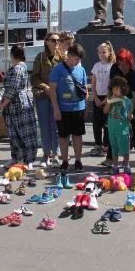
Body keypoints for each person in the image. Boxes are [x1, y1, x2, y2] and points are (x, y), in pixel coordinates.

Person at [49, 42, 88, 173]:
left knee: (78, 135)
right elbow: (52, 90)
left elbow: (84, 88)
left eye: (79, 59)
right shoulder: (57, 69)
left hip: (79, 108)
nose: (78, 62)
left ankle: (78, 160)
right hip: (63, 109)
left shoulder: (81, 69)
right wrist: (56, 109)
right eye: (76, 59)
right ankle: (65, 161)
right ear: (69, 56)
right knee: (63, 136)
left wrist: (85, 105)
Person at [0, 44, 38, 169]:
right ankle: (18, 158)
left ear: (12, 55)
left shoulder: (17, 69)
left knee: (23, 132)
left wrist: (3, 103)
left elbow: (13, 88)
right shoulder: (22, 67)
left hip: (17, 103)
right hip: (18, 102)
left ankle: (27, 159)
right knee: (18, 132)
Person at [109, 48, 135, 169]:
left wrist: (130, 111)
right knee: (114, 133)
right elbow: (111, 88)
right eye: (120, 64)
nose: (122, 67)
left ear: (130, 63)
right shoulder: (114, 69)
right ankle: (111, 159)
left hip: (134, 103)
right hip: (118, 104)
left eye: (125, 65)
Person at [31, 31, 62, 167]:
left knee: (55, 125)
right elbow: (34, 77)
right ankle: (45, 154)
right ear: (47, 42)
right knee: (44, 126)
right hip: (43, 95)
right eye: (53, 40)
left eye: (58, 40)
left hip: (57, 95)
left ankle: (55, 153)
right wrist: (45, 87)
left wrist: (54, 88)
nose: (56, 43)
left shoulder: (62, 58)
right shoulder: (40, 57)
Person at [90, 41, 114, 166]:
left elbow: (112, 86)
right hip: (97, 97)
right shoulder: (96, 66)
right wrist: (95, 98)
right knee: (96, 123)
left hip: (107, 98)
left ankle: (106, 145)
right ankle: (97, 144)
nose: (102, 54)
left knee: (107, 123)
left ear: (109, 52)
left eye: (104, 52)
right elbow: (93, 83)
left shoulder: (112, 66)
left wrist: (105, 100)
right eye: (100, 52)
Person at [104, 76, 134, 173]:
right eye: (113, 89)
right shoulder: (110, 100)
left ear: (123, 89)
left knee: (125, 148)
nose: (115, 91)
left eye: (117, 89)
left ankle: (126, 164)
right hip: (112, 129)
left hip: (123, 129)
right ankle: (115, 165)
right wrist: (110, 101)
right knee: (114, 148)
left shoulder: (127, 101)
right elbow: (105, 111)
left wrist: (130, 116)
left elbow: (130, 115)